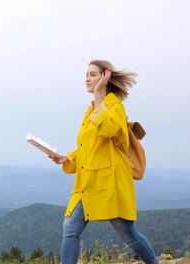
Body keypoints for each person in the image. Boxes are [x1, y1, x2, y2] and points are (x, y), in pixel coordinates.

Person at [48, 60, 158, 264]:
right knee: (70, 229)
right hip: (87, 183)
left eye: (92, 74)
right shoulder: (92, 109)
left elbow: (107, 129)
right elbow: (88, 147)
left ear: (105, 77)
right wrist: (68, 158)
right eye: (86, 75)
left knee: (128, 235)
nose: (87, 79)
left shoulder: (114, 107)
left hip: (109, 184)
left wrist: (99, 95)